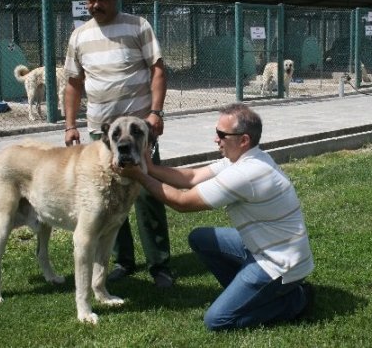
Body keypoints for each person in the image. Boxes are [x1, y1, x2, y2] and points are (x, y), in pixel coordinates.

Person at [118, 102, 314, 331]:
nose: (216, 139)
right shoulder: (245, 158)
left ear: (243, 140)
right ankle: (247, 293)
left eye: (222, 134)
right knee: (201, 238)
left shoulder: (245, 173)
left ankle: (296, 300)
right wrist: (148, 167)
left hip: (280, 265)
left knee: (218, 321)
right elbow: (190, 177)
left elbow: (182, 202)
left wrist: (139, 176)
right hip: (266, 248)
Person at [63, 0, 173, 288]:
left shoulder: (138, 25)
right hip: (103, 135)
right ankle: (124, 261)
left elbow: (157, 71)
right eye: (90, 0)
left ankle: (160, 264)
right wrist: (70, 125)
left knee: (148, 194)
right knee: (110, 196)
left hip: (139, 132)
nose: (96, 5)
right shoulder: (79, 36)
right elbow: (72, 83)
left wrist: (155, 113)